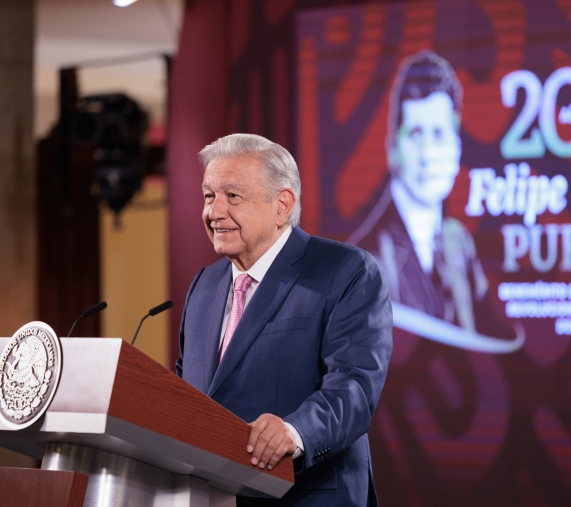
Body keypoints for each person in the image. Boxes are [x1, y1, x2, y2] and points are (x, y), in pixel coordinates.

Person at [176, 133, 393, 506]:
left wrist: (294, 431)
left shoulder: (345, 271)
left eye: (233, 196)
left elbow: (355, 387)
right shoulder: (204, 285)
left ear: (282, 205)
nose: (214, 211)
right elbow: (184, 391)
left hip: (305, 494)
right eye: (209, 196)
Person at [348, 49, 518, 345]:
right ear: (392, 147)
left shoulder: (458, 242)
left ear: (457, 149)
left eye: (439, 134)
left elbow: (495, 340)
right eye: (416, 134)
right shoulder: (366, 262)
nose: (428, 155)